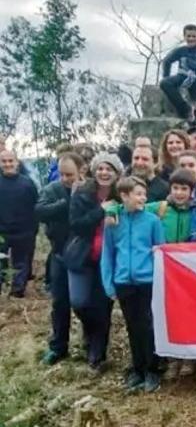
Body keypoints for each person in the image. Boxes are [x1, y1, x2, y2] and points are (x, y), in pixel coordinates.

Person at [100, 176, 164, 393]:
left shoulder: (152, 221)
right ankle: (137, 369)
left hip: (147, 281)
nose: (143, 198)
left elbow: (160, 251)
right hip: (123, 281)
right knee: (132, 326)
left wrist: (158, 279)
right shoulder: (113, 222)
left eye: (144, 194)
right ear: (124, 196)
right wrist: (109, 284)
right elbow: (107, 254)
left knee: (148, 325)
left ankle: (153, 369)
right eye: (138, 194)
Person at [68, 153, 124, 371]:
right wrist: (100, 211)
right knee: (79, 301)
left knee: (103, 308)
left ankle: (97, 354)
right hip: (82, 257)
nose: (104, 173)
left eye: (109, 169)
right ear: (94, 170)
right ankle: (89, 332)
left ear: (117, 173)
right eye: (100, 168)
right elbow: (77, 225)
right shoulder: (82, 194)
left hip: (109, 260)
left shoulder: (122, 196)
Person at [37, 152, 85, 365]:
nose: (66, 178)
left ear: (80, 172)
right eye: (63, 174)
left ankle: (90, 344)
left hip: (83, 255)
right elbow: (39, 211)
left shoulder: (87, 189)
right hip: (59, 253)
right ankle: (58, 347)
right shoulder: (52, 190)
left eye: (71, 175)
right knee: (60, 302)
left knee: (84, 303)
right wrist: (67, 202)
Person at [159, 24, 196, 122]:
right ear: (185, 37)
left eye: (194, 36)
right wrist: (166, 76)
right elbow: (167, 61)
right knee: (164, 83)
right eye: (188, 36)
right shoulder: (181, 50)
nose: (191, 39)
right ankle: (185, 109)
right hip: (182, 78)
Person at [0, 150, 39, 297]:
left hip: (23, 231)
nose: (8, 164)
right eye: (4, 161)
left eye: (11, 161)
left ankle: (17, 291)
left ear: (17, 162)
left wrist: (33, 229)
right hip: (1, 231)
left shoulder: (27, 183)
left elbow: (36, 206)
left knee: (21, 263)